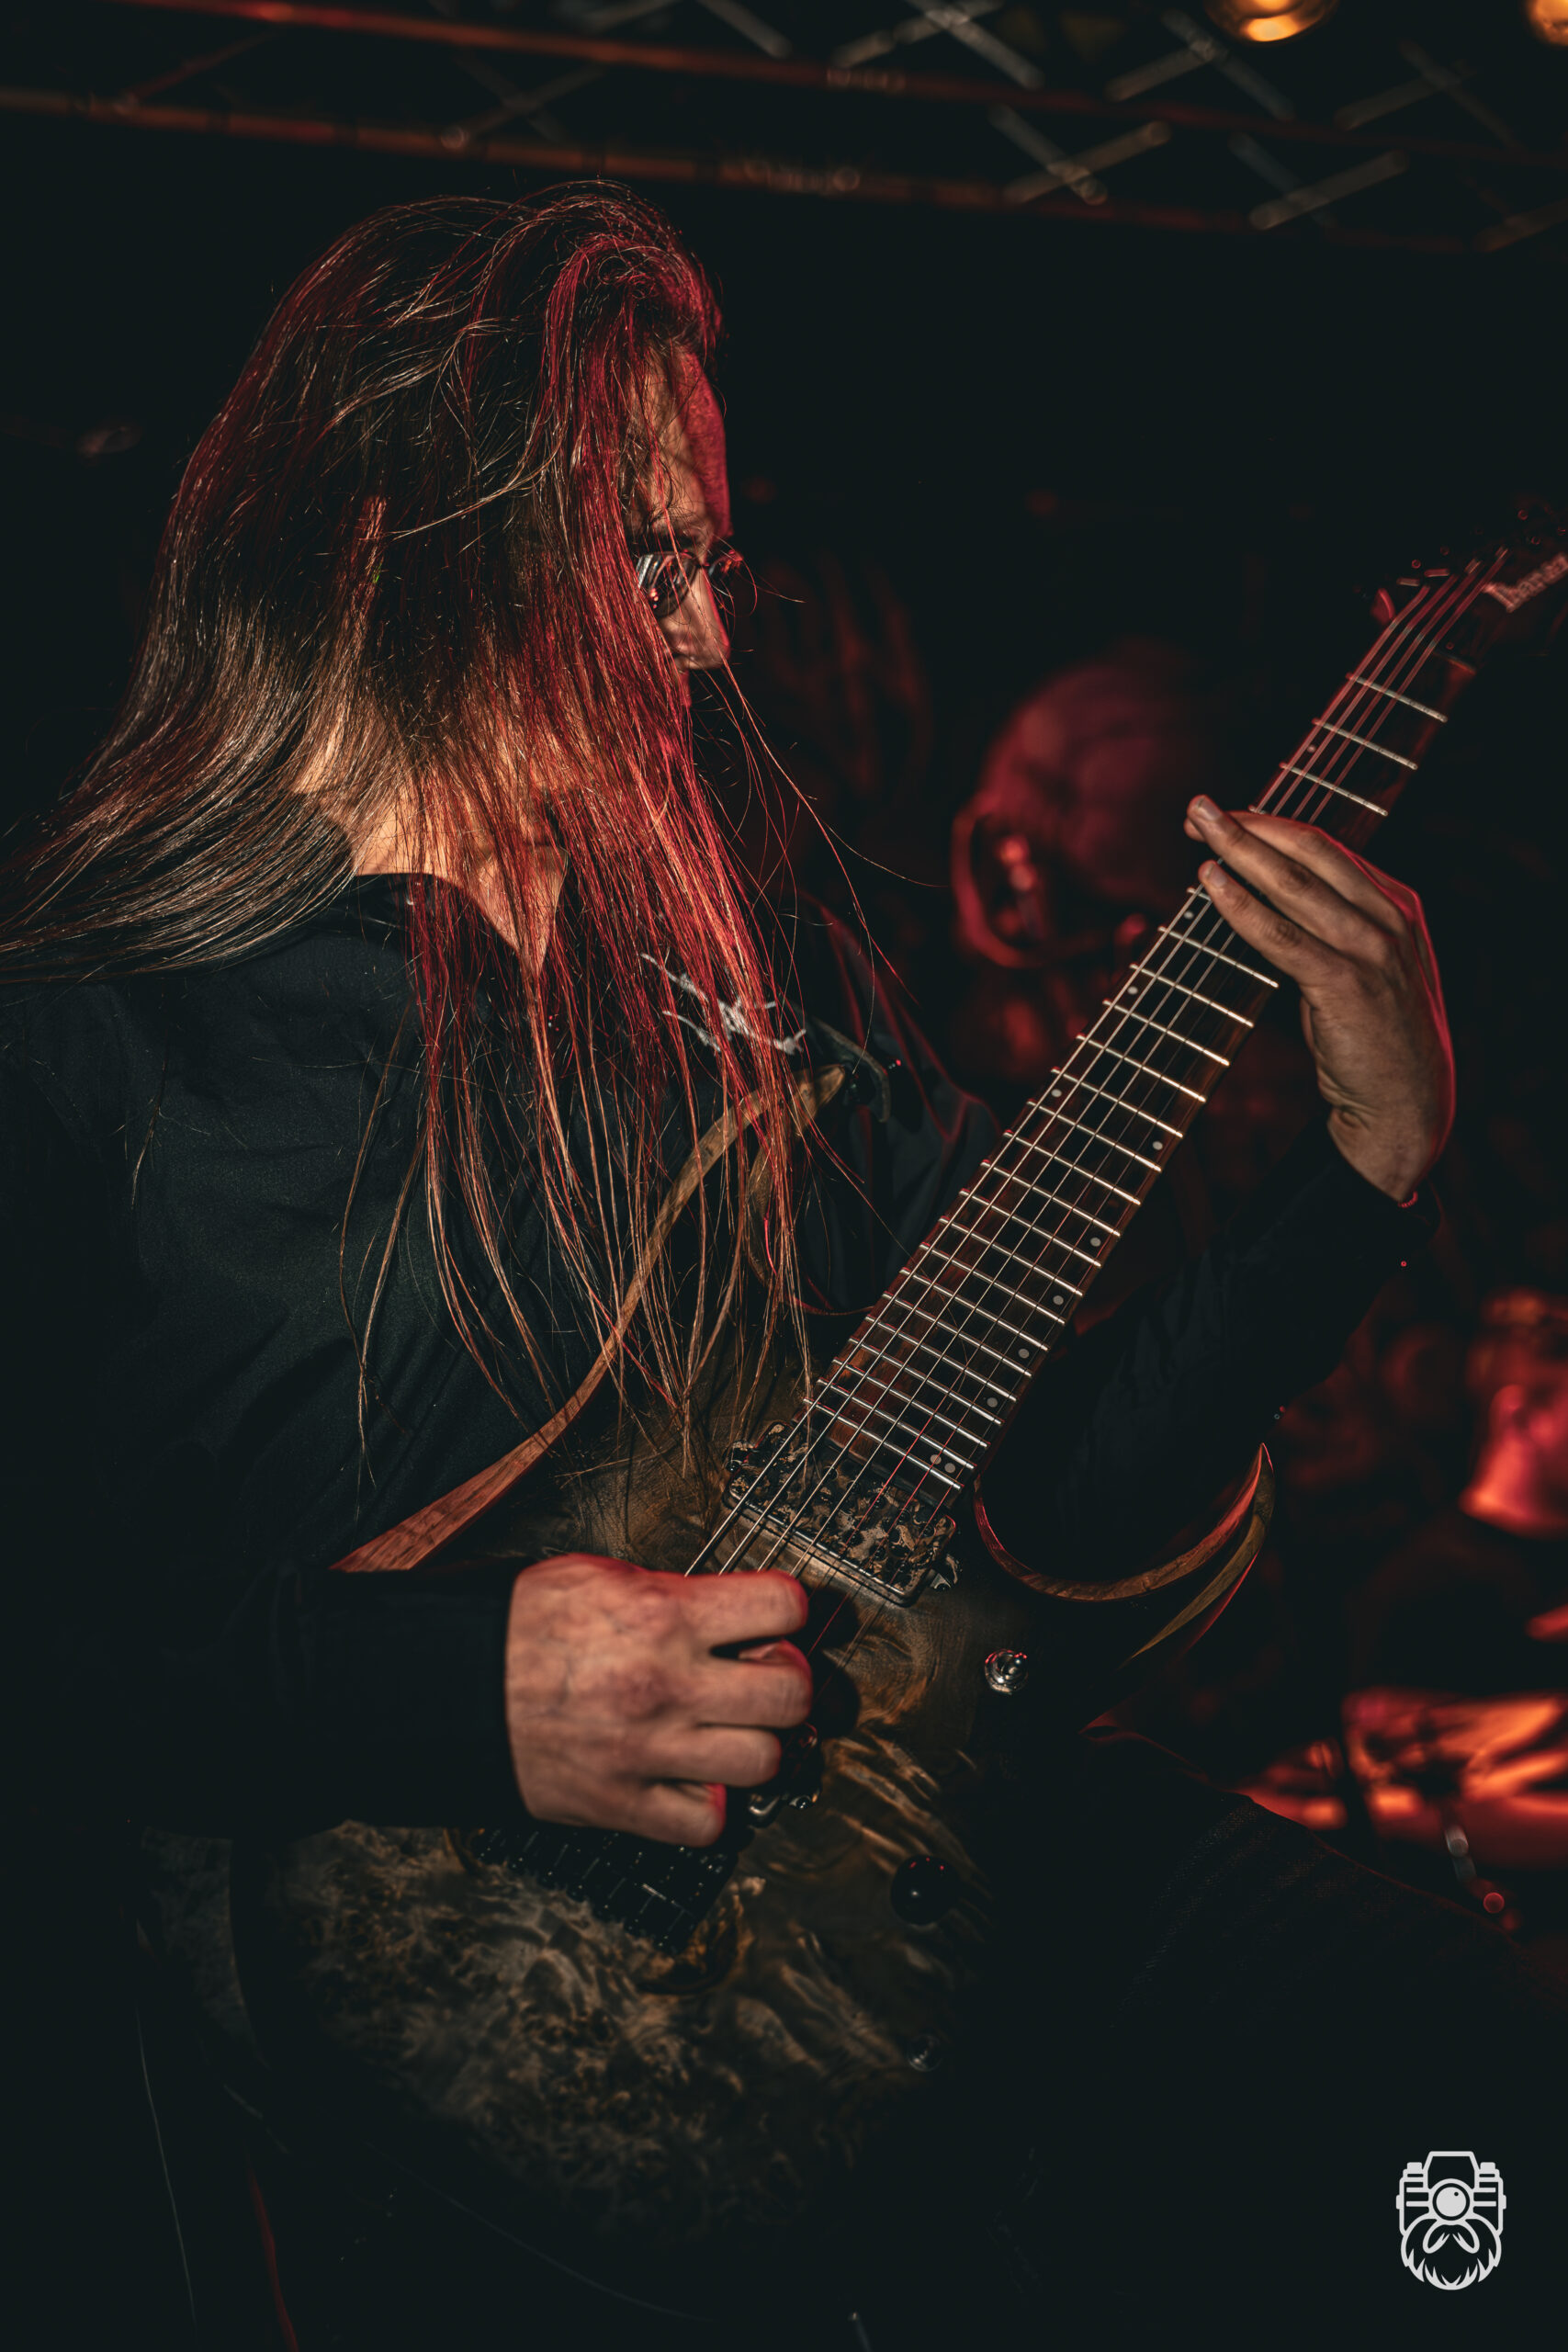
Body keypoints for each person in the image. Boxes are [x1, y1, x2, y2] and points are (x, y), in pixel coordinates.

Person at [1, 189, 1558, 2345]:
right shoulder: (88, 1036)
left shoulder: (738, 1014)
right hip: (420, 2023)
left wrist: (1359, 1173)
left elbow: (1051, 1500)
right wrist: (457, 1687)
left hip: (897, 1852)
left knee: (1469, 2083)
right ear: (391, 542)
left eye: (711, 568)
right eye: (644, 565)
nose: (708, 646)